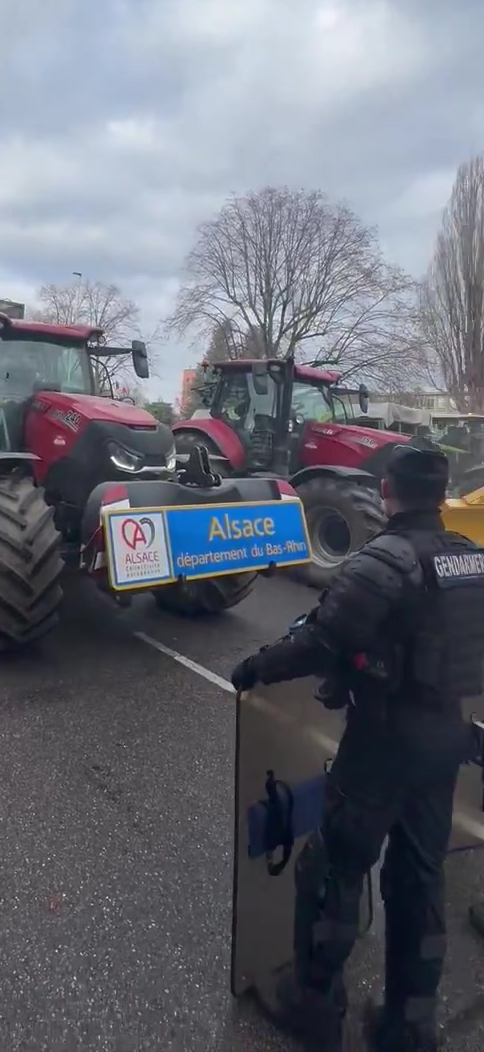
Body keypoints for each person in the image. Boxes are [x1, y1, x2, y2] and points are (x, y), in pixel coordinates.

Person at [231, 443, 484, 1052]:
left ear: (389, 493)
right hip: (443, 741)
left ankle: (313, 1006)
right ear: (440, 493)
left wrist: (255, 668)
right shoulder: (470, 558)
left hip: (382, 743)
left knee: (332, 870)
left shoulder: (385, 559)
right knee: (419, 879)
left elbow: (321, 639)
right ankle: (409, 1026)